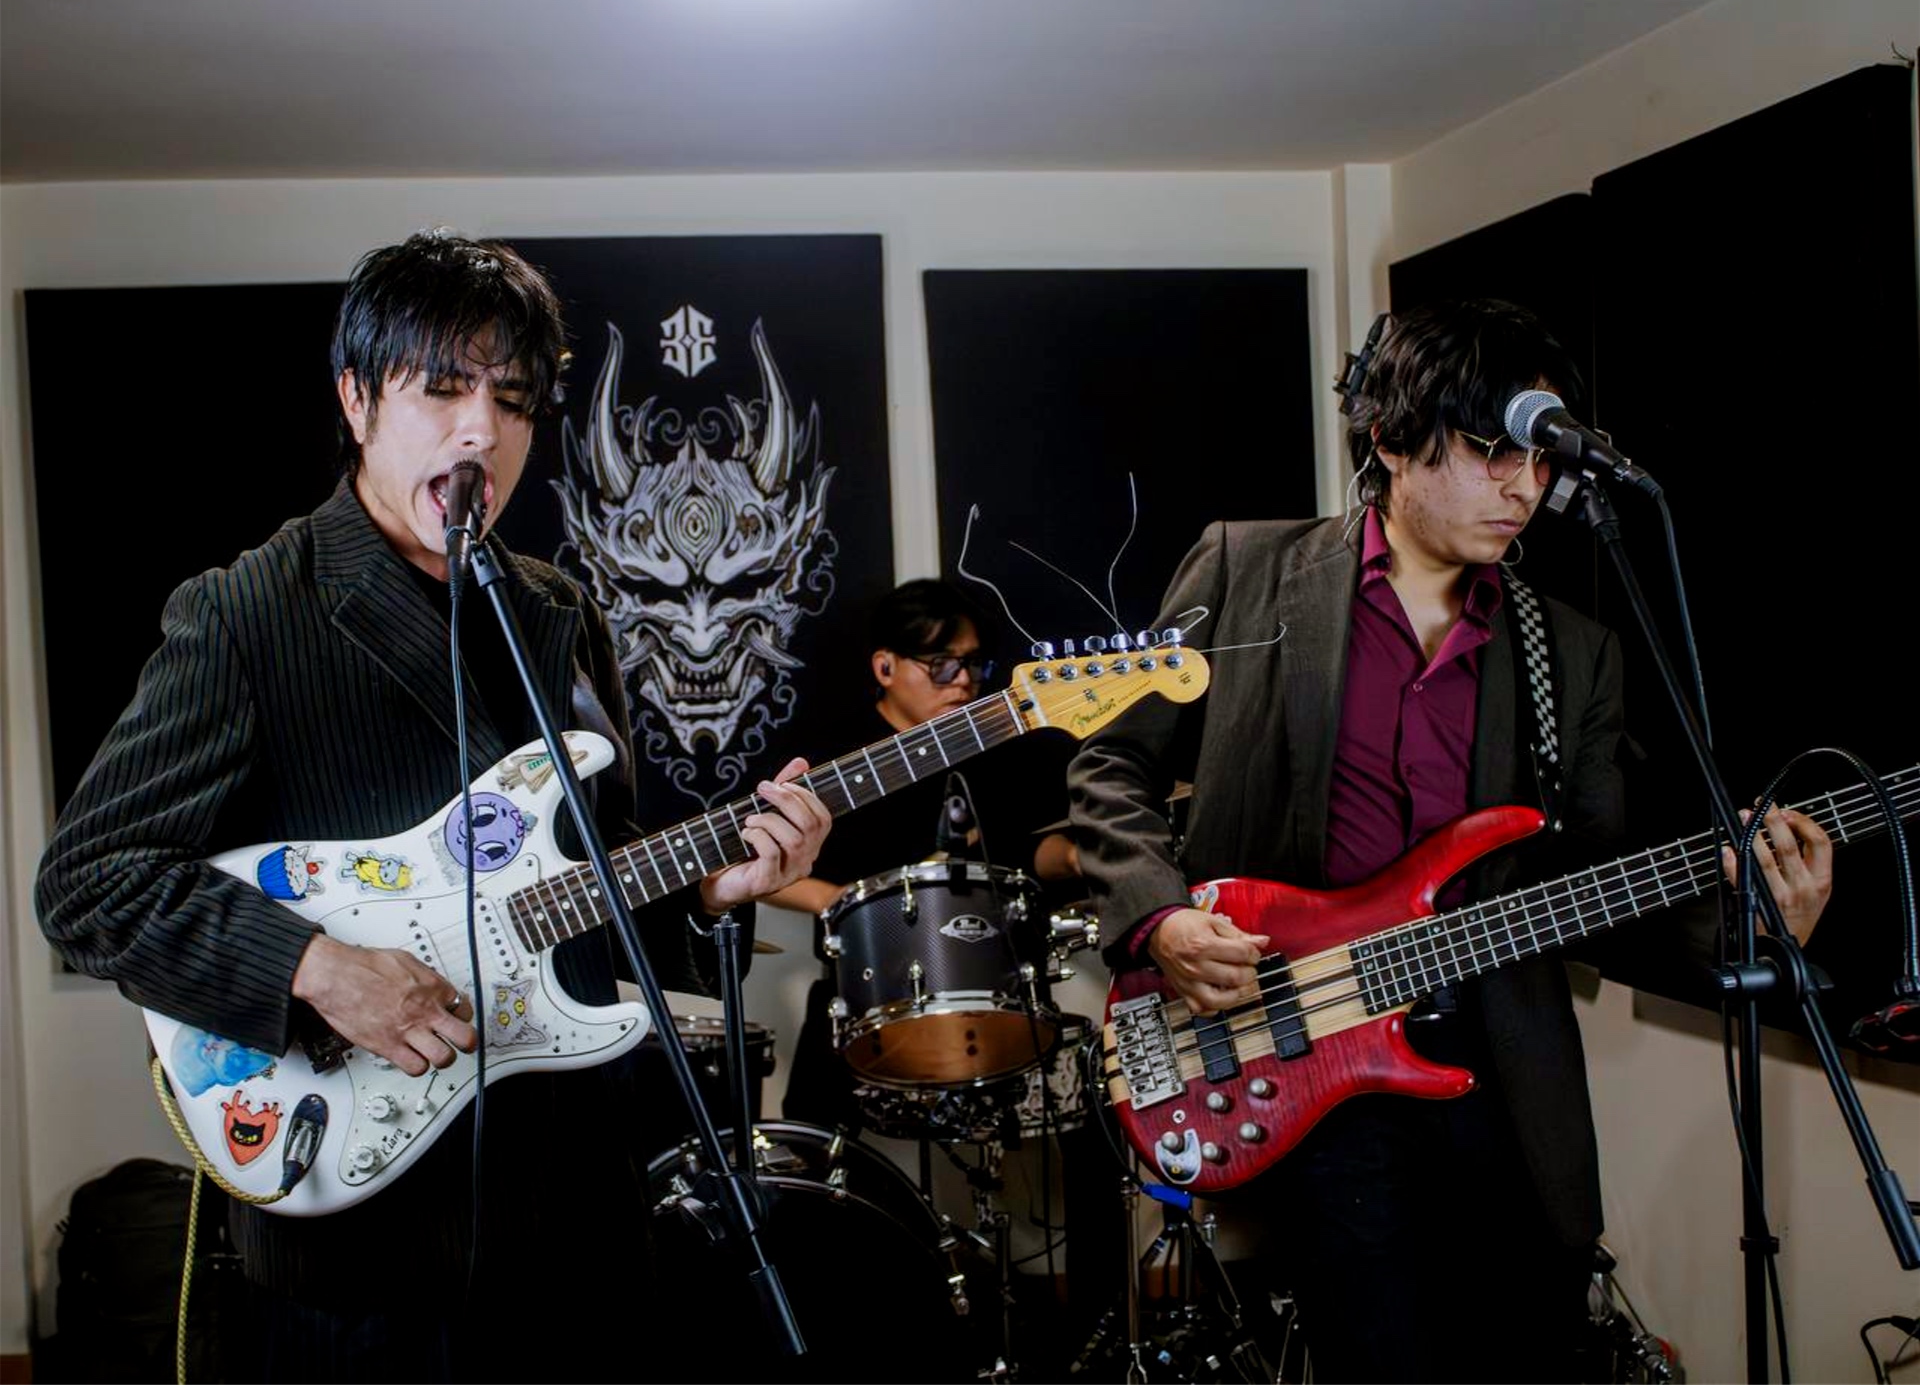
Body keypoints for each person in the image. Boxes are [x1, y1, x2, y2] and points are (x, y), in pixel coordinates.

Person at [34, 230, 831, 1383]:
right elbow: (89, 884)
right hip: (366, 1250)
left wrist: (715, 886)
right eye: (444, 388)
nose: (480, 433)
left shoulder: (559, 610)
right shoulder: (248, 610)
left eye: (512, 401)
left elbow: (591, 884)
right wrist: (317, 967)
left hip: (573, 1215)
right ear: (357, 399)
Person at [1067, 299, 1833, 1382]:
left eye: (1540, 457)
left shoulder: (1574, 650)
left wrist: (1748, 921)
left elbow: (1591, 892)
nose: (1526, 486)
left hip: (1502, 1081)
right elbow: (1110, 762)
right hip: (1309, 1057)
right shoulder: (1244, 569)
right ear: (1391, 438)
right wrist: (1160, 919)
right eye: (1491, 450)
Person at [766, 577, 1081, 1128]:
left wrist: (1081, 858)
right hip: (864, 990)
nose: (962, 681)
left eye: (973, 664)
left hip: (988, 987)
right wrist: (846, 903)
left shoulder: (995, 749)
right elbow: (757, 865)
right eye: (941, 664)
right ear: (885, 667)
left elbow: (1021, 853)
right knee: (810, 1148)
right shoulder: (831, 759)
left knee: (1076, 1107)